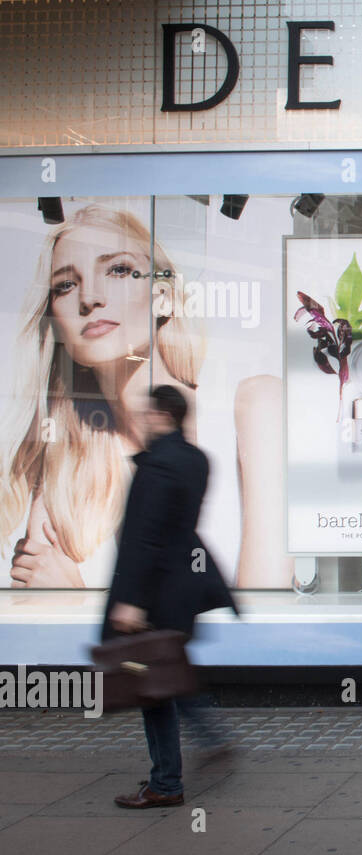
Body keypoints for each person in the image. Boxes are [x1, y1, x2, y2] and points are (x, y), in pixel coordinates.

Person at [1, 203, 292, 590]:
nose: (90, 297)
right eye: (66, 285)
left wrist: (79, 603)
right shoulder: (61, 469)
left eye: (118, 269)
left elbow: (264, 632)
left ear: (164, 298)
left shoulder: (257, 408)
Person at [103, 385, 236, 809]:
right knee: (169, 671)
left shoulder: (158, 464)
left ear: (162, 415)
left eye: (147, 413)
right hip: (184, 586)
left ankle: (165, 783)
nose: (142, 419)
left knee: (151, 684)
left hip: (155, 591)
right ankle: (209, 737)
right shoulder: (196, 459)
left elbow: (145, 539)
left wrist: (131, 600)